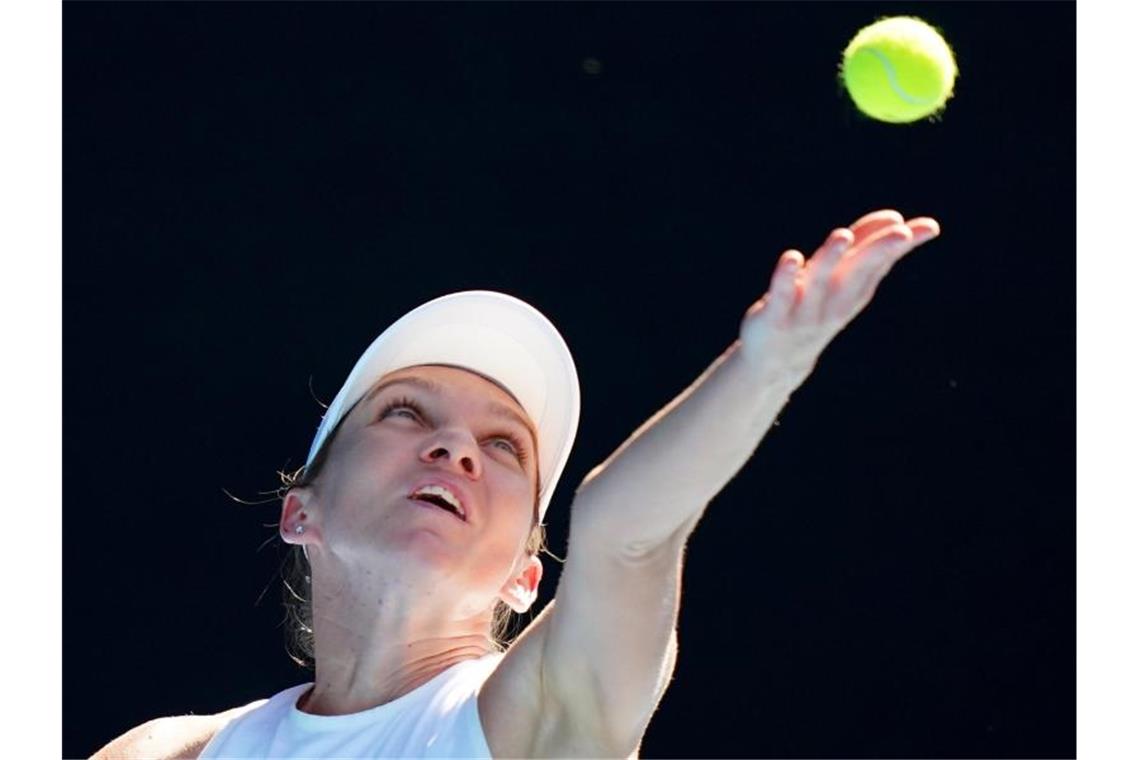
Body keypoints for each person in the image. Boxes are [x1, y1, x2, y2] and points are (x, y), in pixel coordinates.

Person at [91, 208, 940, 759]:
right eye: (406, 414)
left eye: (503, 447)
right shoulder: (167, 753)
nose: (456, 447)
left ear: (526, 576)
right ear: (298, 511)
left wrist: (766, 369)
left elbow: (627, 533)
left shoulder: (538, 723)